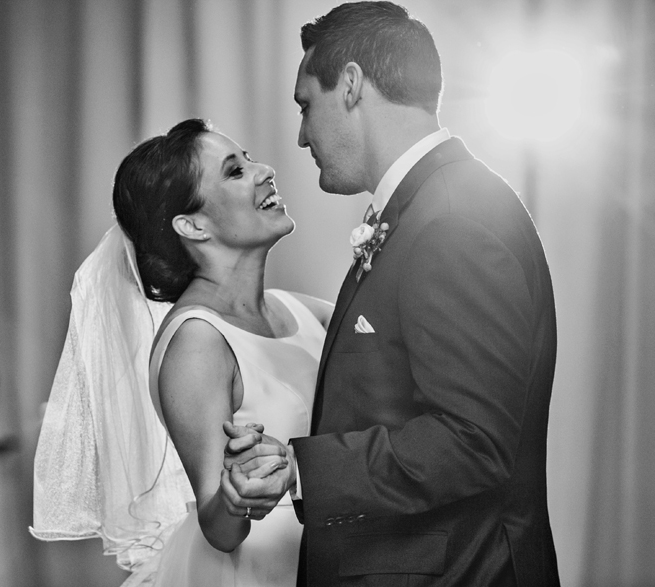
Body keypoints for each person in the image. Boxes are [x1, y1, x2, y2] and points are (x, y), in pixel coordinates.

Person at [221, 2, 561, 586]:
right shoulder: (433, 205)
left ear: (350, 84)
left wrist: (303, 470)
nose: (301, 136)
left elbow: (471, 440)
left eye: (306, 105)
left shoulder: (454, 220)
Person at [31, 118, 331, 587]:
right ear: (192, 225)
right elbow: (219, 527)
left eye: (249, 159)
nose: (265, 170)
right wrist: (235, 497)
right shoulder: (197, 342)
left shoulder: (306, 312)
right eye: (235, 171)